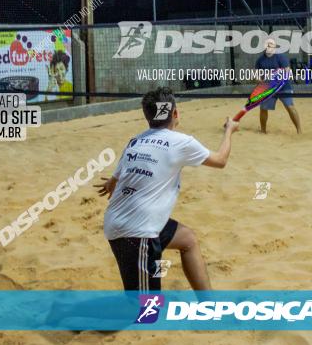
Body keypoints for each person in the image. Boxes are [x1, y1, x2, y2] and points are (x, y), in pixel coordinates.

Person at [98, 87, 239, 291]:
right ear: (175, 114)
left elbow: (114, 180)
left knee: (188, 240)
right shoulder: (181, 142)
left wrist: (110, 185)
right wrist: (229, 130)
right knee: (146, 314)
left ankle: (208, 304)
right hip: (137, 232)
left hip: (124, 221)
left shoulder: (135, 141)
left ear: (147, 117)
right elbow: (221, 160)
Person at [254, 38, 301, 134]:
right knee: (263, 108)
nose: (269, 46)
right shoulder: (260, 60)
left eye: (271, 44)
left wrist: (276, 78)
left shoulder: (281, 57)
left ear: (274, 46)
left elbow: (287, 72)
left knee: (290, 107)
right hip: (269, 88)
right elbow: (256, 75)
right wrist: (260, 81)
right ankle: (263, 131)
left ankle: (299, 131)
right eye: (267, 44)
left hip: (284, 87)